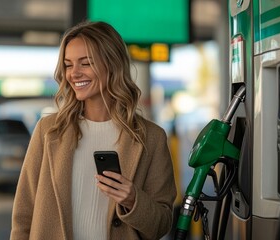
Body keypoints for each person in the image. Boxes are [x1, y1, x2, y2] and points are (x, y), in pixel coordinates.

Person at [10, 21, 177, 240]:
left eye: (85, 63)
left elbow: (162, 224)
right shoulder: (48, 131)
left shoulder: (151, 137)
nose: (74, 73)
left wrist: (133, 200)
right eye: (69, 65)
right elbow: (23, 216)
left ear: (112, 64)